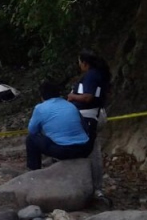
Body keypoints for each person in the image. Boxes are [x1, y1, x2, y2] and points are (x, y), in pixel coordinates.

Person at [66, 50, 111, 200]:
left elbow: (87, 97)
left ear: (85, 63)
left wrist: (72, 97)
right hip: (90, 115)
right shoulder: (97, 75)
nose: (79, 66)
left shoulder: (91, 76)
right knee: (91, 150)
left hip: (89, 117)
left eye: (79, 63)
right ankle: (93, 186)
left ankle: (94, 187)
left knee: (91, 151)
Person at [27, 81, 92, 170]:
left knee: (31, 139)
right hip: (85, 148)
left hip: (64, 150)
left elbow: (32, 131)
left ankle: (34, 171)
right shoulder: (70, 105)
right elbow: (84, 126)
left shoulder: (40, 108)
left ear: (41, 96)